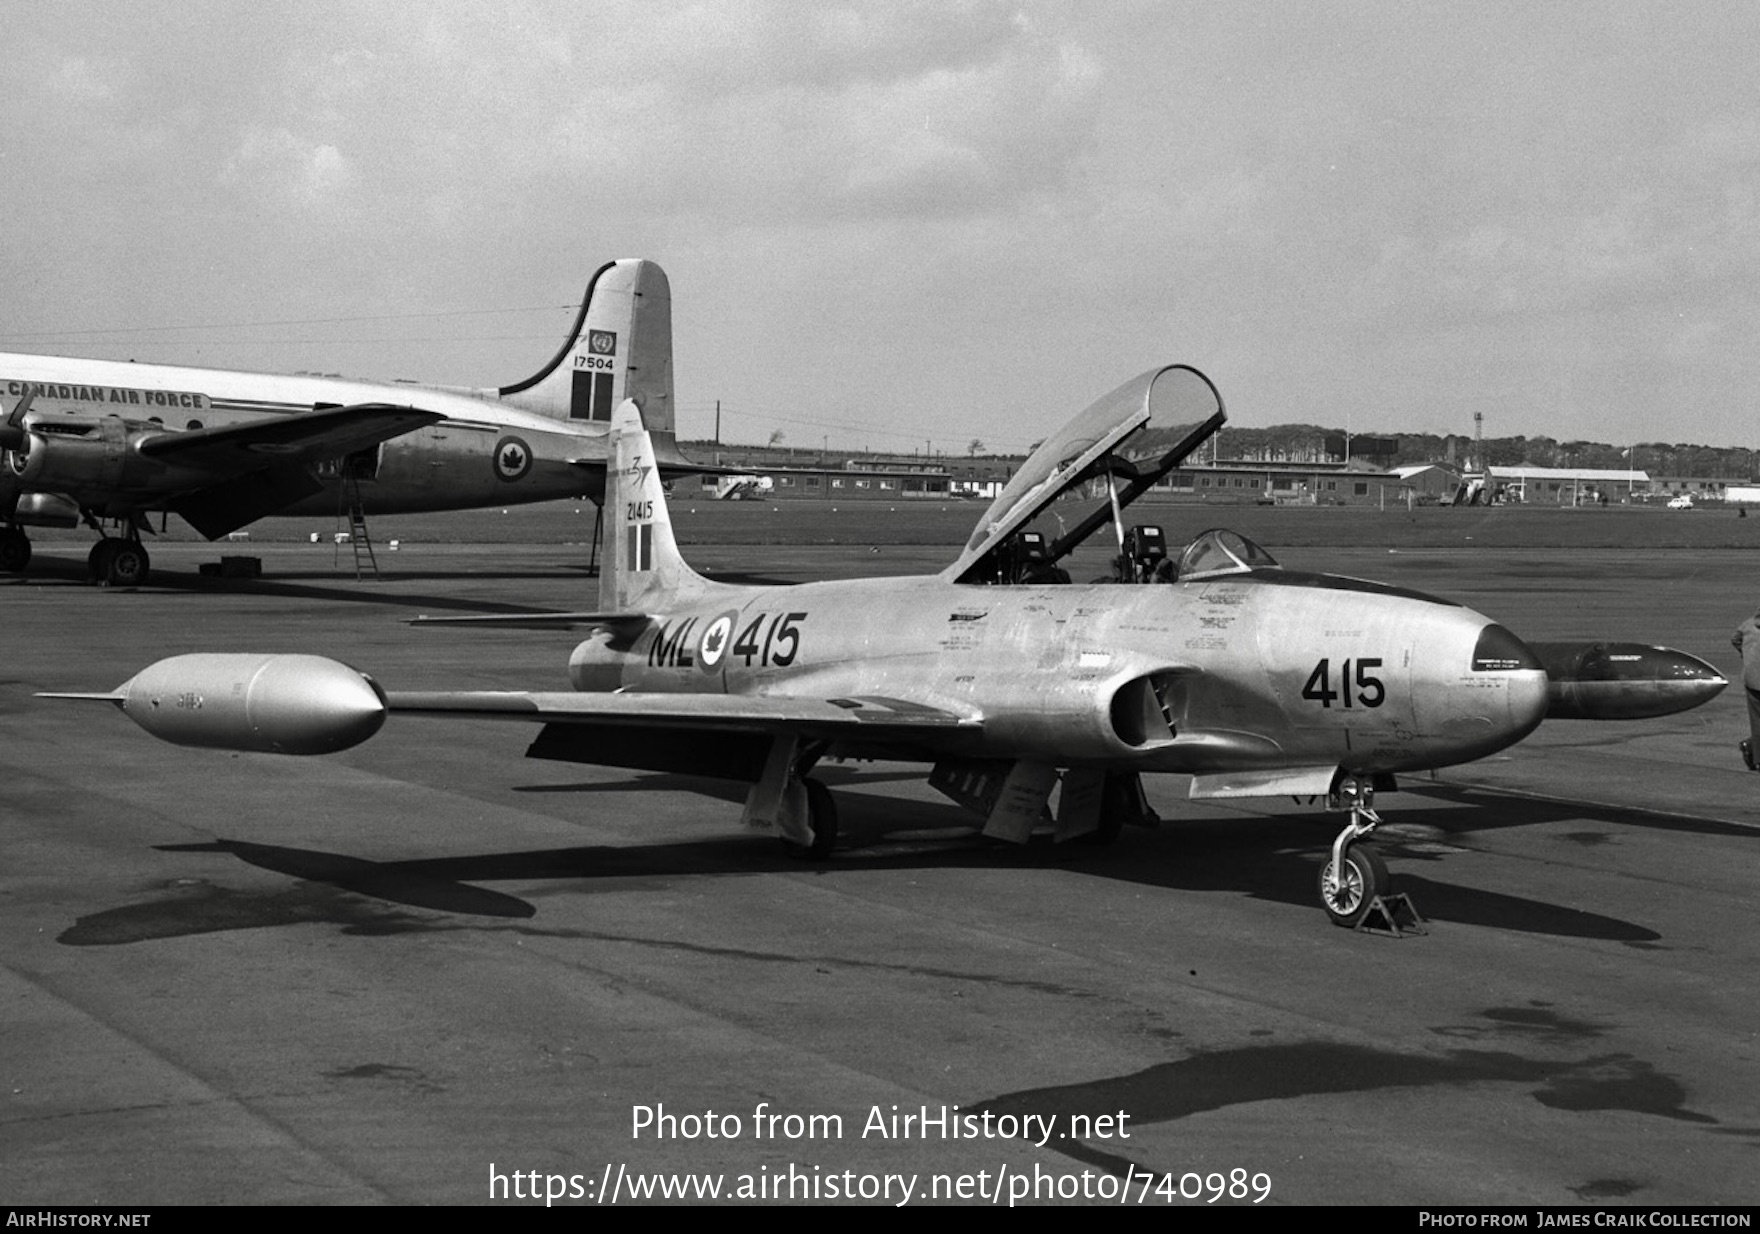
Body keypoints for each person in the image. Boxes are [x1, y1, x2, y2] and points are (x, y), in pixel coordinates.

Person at [1733, 609, 1760, 770]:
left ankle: (1754, 753)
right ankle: (1750, 747)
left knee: (1757, 721)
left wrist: (1748, 656)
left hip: (1752, 679)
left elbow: (1735, 639)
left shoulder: (1749, 624)